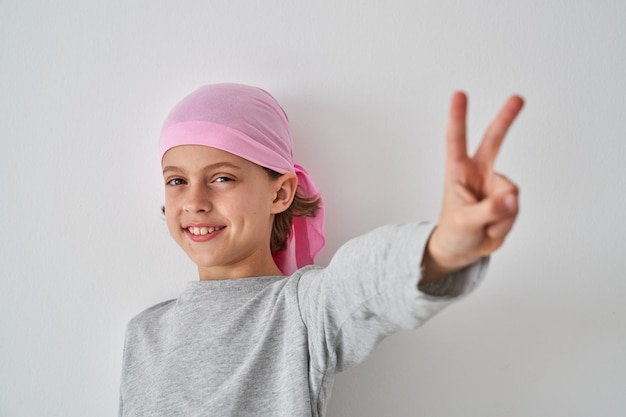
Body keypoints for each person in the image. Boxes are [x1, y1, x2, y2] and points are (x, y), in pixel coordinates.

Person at [119, 83, 524, 416]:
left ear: (280, 193)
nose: (194, 201)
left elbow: (364, 280)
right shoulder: (144, 333)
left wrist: (443, 247)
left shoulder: (302, 310)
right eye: (176, 181)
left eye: (222, 178)